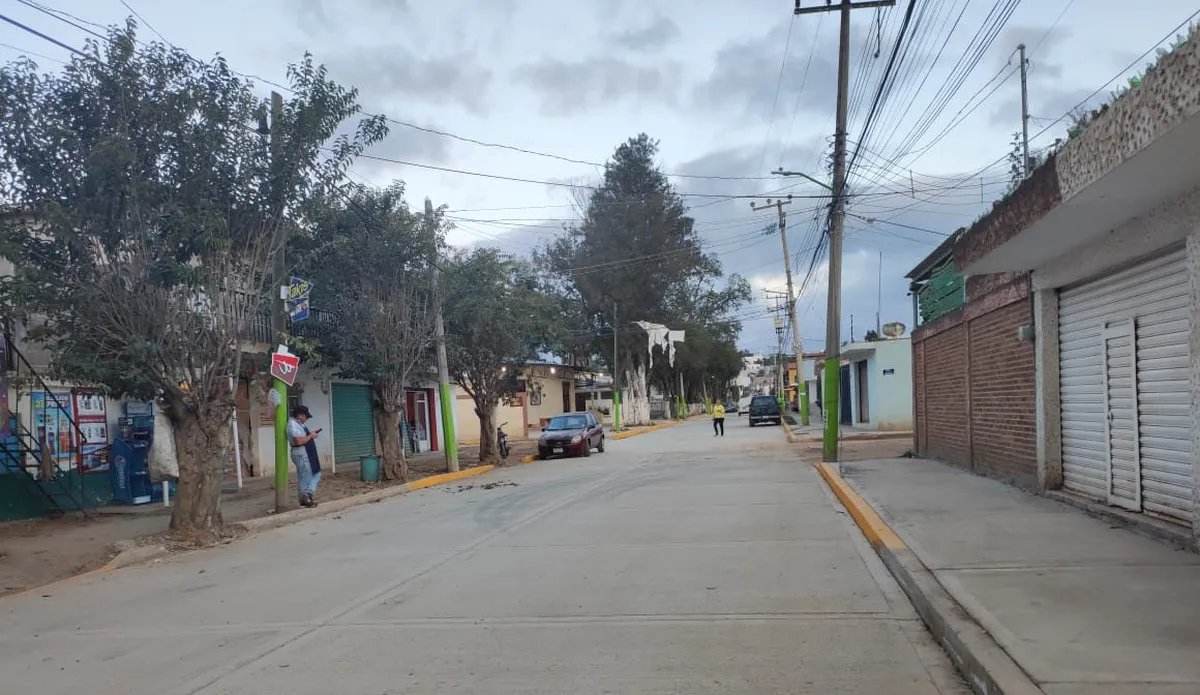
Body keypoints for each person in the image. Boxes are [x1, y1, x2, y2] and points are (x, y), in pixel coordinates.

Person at [287, 405, 322, 507]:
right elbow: (298, 441)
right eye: (306, 416)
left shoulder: (299, 424)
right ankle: (304, 499)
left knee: (315, 473)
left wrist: (310, 434)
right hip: (301, 452)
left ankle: (308, 494)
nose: (307, 419)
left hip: (306, 452)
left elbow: (303, 437)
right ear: (300, 415)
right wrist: (310, 436)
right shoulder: (292, 424)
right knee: (305, 476)